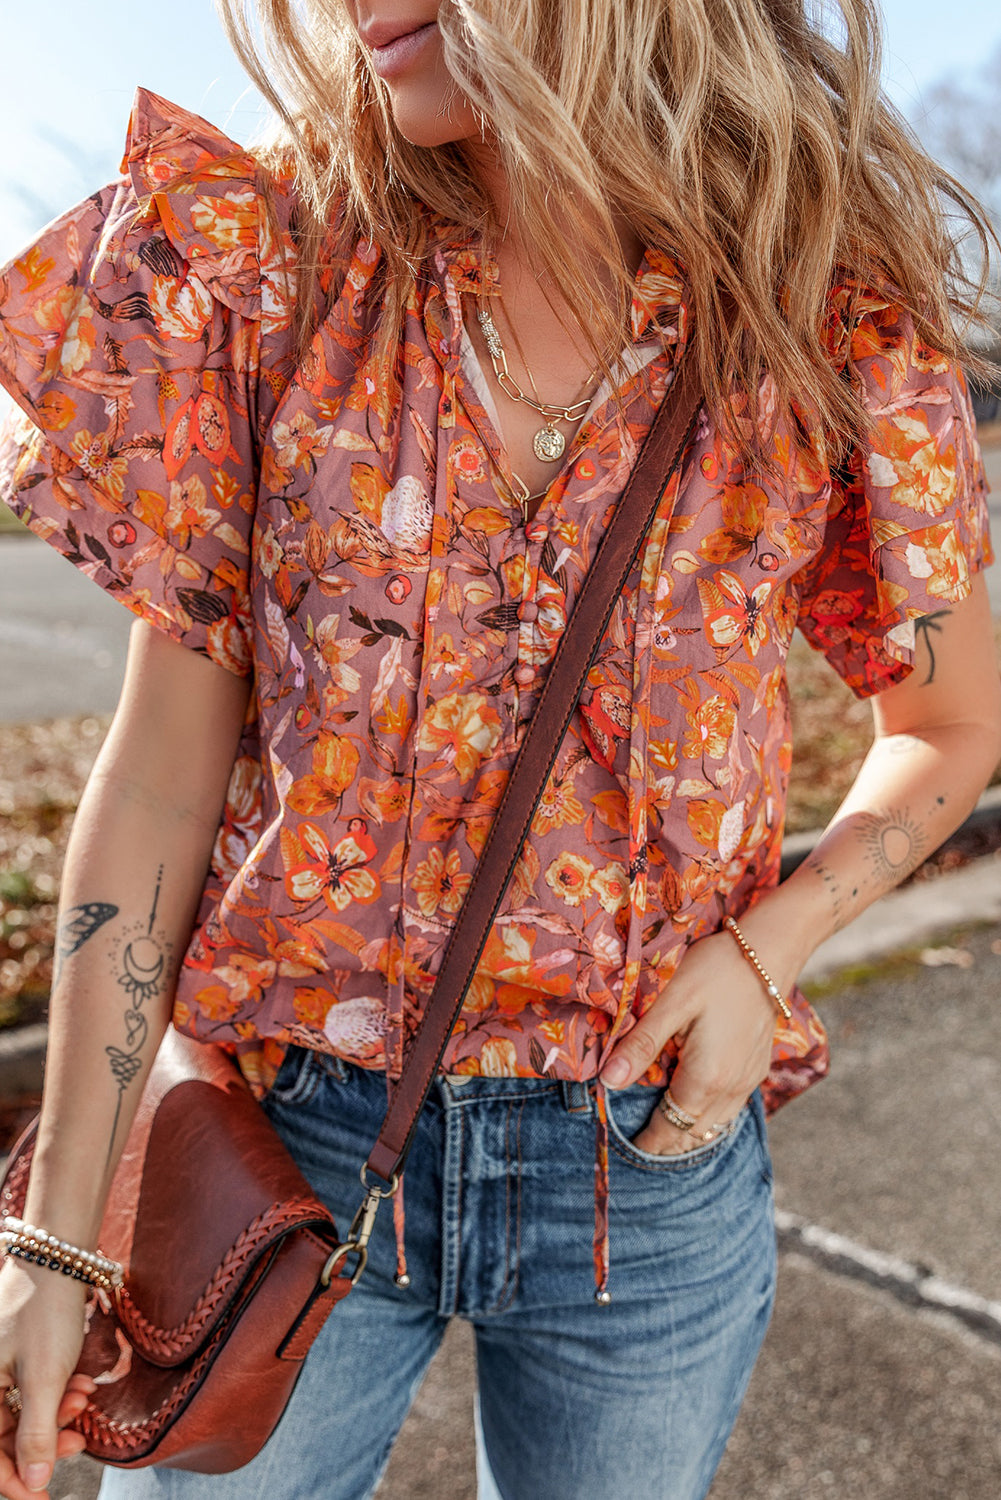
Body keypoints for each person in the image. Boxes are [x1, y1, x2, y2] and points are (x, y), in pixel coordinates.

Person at [0, 2, 998, 1497]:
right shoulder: (273, 269)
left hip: (642, 1164)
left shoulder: (817, 315)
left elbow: (950, 723)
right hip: (282, 1151)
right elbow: (154, 778)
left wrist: (773, 945)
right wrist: (52, 1240)